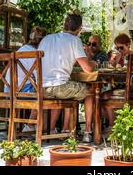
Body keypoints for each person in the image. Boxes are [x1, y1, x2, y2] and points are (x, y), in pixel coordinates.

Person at [37, 11, 98, 142]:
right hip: (59, 88)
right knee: (90, 91)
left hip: (40, 88)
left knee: (67, 88)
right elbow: (87, 69)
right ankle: (88, 132)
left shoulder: (46, 38)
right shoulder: (74, 40)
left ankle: (56, 129)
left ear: (64, 25)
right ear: (79, 29)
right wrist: (93, 63)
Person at [5, 26, 47, 94]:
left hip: (7, 91)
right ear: (43, 41)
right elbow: (40, 79)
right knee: (48, 91)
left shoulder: (21, 49)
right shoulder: (35, 53)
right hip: (21, 92)